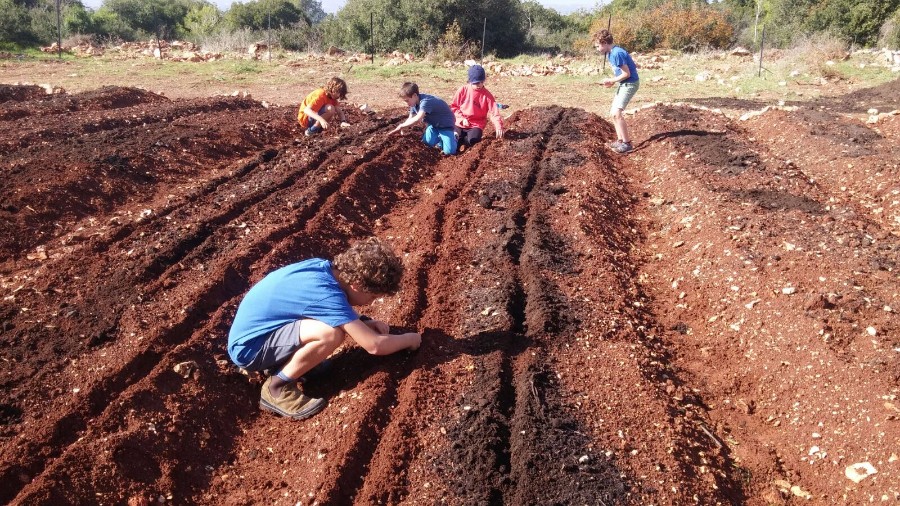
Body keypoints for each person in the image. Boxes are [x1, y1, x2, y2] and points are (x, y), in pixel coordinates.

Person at [227, 237, 422, 420]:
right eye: (372, 296)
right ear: (356, 285)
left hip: (260, 333)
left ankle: (300, 363)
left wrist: (364, 321)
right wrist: (410, 339)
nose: (373, 301)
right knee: (331, 334)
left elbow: (316, 306)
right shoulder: (327, 295)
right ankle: (277, 387)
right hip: (250, 349)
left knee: (335, 327)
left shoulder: (323, 269)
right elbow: (374, 346)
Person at [594, 29, 639, 154]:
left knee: (617, 113)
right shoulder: (611, 53)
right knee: (613, 113)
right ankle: (620, 141)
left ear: (604, 43)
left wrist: (612, 80)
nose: (597, 48)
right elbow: (631, 65)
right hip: (624, 83)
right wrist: (612, 82)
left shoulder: (616, 53)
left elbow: (627, 73)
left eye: (598, 45)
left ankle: (627, 143)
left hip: (630, 83)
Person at [389, 82, 457, 155]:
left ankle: (454, 137)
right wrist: (403, 127)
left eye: (407, 100)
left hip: (445, 125)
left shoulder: (426, 102)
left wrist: (401, 126)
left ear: (414, 95)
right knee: (426, 144)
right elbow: (410, 118)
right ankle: (441, 139)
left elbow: (417, 119)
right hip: (434, 125)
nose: (407, 103)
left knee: (449, 152)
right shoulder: (414, 103)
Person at [450, 64, 504, 153]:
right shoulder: (462, 90)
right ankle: (458, 141)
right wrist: (462, 119)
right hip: (460, 122)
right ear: (470, 81)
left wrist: (498, 126)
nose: (480, 85)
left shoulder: (487, 95)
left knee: (473, 140)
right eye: (476, 83)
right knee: (454, 139)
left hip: (476, 124)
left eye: (482, 82)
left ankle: (465, 142)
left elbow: (494, 112)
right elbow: (454, 107)